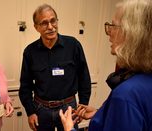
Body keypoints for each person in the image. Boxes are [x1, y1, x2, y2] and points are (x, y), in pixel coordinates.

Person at [59, 0, 152, 130]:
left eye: (113, 26)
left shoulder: (125, 95)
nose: (109, 33)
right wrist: (101, 113)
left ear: (132, 33)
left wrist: (69, 128)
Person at [19, 3, 91, 131]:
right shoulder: (30, 52)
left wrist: (83, 105)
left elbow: (84, 77)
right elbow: (25, 86)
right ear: (36, 27)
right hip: (41, 109)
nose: (50, 27)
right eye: (44, 23)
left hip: (68, 108)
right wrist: (30, 112)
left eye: (53, 21)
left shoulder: (73, 45)